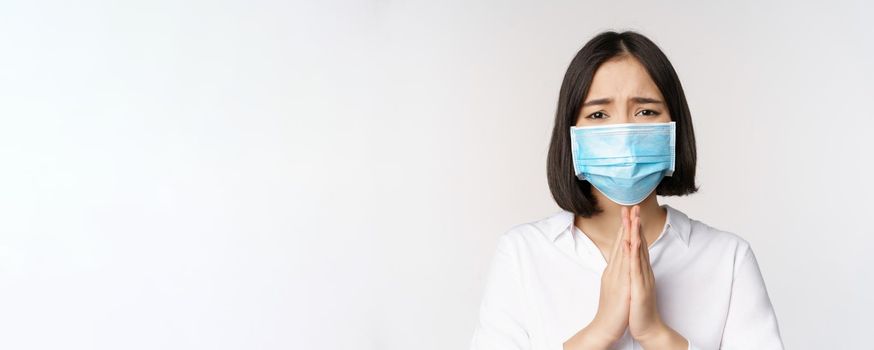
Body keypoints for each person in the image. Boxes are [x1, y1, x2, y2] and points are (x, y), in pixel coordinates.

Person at [469, 31, 784, 350]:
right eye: (598, 114)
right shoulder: (522, 254)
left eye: (646, 111)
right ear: (572, 135)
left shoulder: (728, 259)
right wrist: (599, 332)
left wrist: (656, 334)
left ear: (674, 127)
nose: (624, 134)